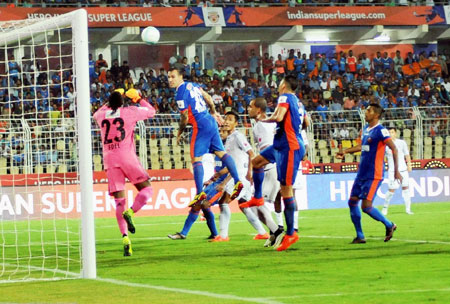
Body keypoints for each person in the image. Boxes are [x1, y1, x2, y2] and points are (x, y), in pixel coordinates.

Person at [244, 75, 305, 251]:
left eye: (279, 83)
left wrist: (265, 119)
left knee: (286, 189)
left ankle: (291, 233)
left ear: (284, 85)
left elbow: (278, 117)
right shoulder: (299, 103)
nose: (278, 86)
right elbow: (306, 122)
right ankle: (257, 198)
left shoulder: (285, 97)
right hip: (281, 143)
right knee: (256, 163)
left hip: (288, 146)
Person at [167, 67, 243, 207]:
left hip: (200, 124)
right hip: (210, 121)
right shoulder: (193, 86)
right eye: (169, 77)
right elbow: (208, 97)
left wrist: (179, 132)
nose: (170, 80)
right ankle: (238, 181)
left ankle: (199, 193)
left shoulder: (180, 93)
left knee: (196, 159)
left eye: (173, 76)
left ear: (180, 76)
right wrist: (214, 111)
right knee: (221, 153)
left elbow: (184, 117)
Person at [93, 89, 156, 256]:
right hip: (127, 157)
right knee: (147, 189)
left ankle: (125, 238)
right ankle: (132, 211)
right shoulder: (129, 112)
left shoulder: (101, 115)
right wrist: (137, 98)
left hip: (110, 161)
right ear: (122, 103)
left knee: (119, 201)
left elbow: (96, 113)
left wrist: (112, 96)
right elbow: (152, 111)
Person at [336, 104, 400, 244]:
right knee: (352, 202)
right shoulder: (366, 130)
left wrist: (396, 170)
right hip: (362, 173)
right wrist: (345, 151)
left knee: (366, 206)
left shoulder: (381, 131)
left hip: (374, 174)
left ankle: (389, 225)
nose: (366, 113)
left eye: (369, 111)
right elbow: (364, 147)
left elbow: (394, 149)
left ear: (376, 115)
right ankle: (360, 236)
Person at [210, 111, 269, 242]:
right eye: (226, 119)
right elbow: (234, 163)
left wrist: (250, 171)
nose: (226, 121)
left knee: (223, 202)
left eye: (230, 119)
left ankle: (223, 236)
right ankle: (263, 232)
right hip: (238, 175)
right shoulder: (228, 139)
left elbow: (251, 153)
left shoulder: (238, 136)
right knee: (243, 205)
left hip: (241, 177)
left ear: (236, 123)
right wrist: (220, 174)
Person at [167, 128, 229, 240]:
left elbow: (231, 168)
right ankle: (215, 234)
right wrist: (211, 180)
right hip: (211, 183)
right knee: (204, 207)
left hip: (221, 185)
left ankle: (184, 233)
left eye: (222, 132)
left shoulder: (227, 150)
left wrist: (223, 183)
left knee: (200, 205)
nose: (220, 134)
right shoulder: (213, 150)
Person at [246, 98, 285, 247]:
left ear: (259, 110)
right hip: (267, 167)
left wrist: (260, 166)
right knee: (254, 205)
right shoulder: (263, 124)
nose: (248, 109)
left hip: (270, 169)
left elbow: (268, 148)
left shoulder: (261, 126)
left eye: (250, 107)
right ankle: (274, 232)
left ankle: (278, 231)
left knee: (257, 203)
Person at [382, 128, 413, 215]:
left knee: (406, 189)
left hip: (403, 170)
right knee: (391, 191)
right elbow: (382, 158)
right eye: (389, 133)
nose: (391, 134)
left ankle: (408, 209)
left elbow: (407, 154)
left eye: (392, 132)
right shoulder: (385, 145)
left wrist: (409, 165)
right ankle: (385, 208)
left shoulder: (401, 143)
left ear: (395, 133)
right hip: (392, 171)